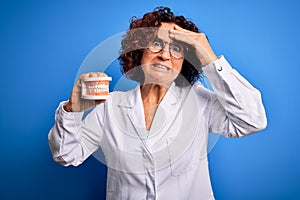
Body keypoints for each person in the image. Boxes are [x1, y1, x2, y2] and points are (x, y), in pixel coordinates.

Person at [48, 6, 267, 200]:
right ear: (139, 51)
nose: (164, 55)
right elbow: (67, 155)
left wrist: (209, 56)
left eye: (177, 49)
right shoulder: (109, 106)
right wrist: (72, 109)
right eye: (156, 43)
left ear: (185, 61)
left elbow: (251, 120)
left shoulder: (198, 100)